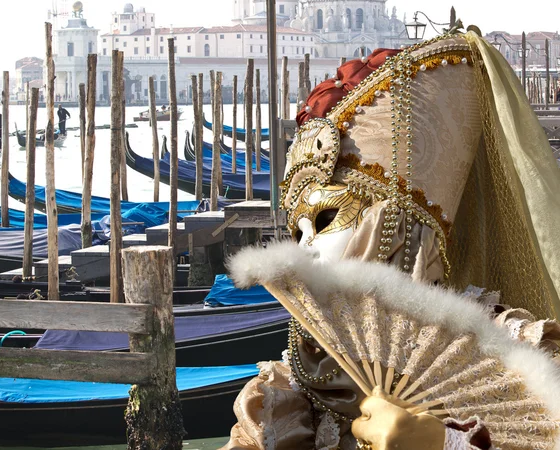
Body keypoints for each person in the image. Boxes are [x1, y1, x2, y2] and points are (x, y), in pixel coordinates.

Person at [220, 29, 560, 450]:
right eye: (296, 230)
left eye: (326, 218)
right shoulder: (286, 394)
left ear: (398, 228)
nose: (303, 247)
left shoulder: (506, 351)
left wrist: (445, 444)